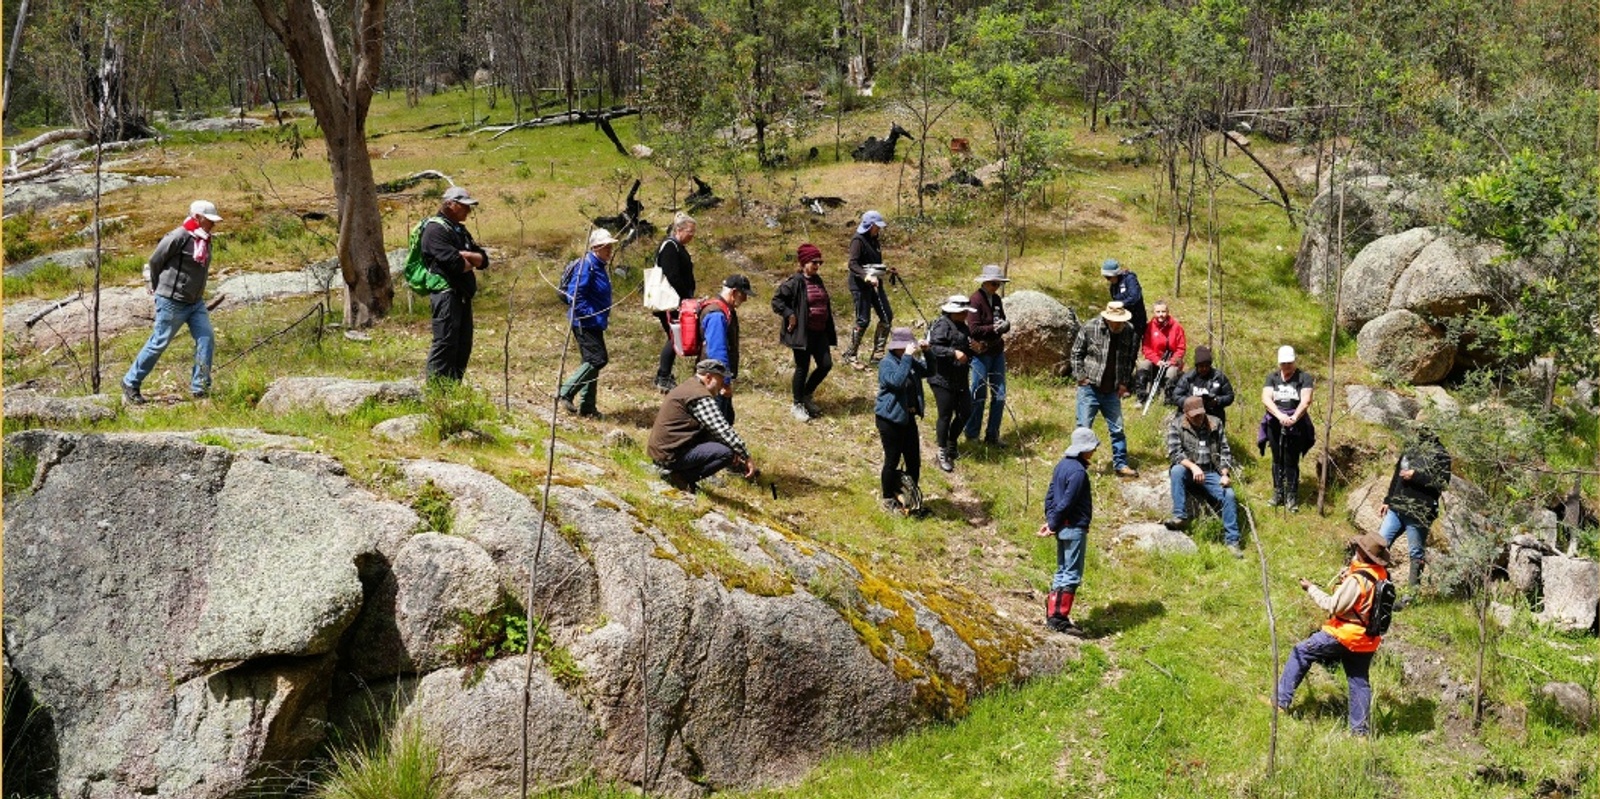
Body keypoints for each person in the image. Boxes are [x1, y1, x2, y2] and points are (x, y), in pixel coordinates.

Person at [1276, 533, 1392, 736]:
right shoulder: (1381, 575)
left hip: (1344, 635)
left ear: (1361, 553)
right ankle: (1360, 733)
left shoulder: (1357, 580)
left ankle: (1279, 703)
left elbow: (1332, 605)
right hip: (1368, 639)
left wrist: (1311, 588)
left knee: (1301, 652)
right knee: (1359, 681)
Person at [122, 199, 225, 403]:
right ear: (197, 217)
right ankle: (130, 382)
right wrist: (156, 287)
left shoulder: (204, 238)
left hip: (195, 303)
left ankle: (200, 388)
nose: (213, 224)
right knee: (158, 342)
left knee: (206, 339)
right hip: (172, 301)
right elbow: (155, 260)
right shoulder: (178, 236)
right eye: (209, 220)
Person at [647, 358, 757, 493]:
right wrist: (746, 456)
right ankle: (681, 478)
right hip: (670, 455)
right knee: (725, 454)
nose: (723, 385)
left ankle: (679, 474)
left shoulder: (689, 386)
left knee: (723, 444)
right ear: (709, 377)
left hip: (663, 452)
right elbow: (722, 428)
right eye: (721, 380)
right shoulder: (700, 396)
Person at [419, 187, 490, 384]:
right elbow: (456, 264)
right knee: (445, 342)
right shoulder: (435, 230)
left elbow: (483, 260)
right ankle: (436, 391)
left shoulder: (459, 230)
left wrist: (469, 256)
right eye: (464, 206)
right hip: (445, 294)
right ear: (450, 204)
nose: (468, 211)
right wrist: (468, 260)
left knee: (463, 344)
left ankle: (453, 387)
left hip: (463, 295)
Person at [1036, 427, 1101, 635]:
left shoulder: (1061, 466)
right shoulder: (1078, 472)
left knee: (1062, 571)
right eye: (1092, 448)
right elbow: (1067, 502)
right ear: (1084, 449)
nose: (1093, 452)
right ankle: (1059, 619)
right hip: (1073, 528)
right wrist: (1053, 524)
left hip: (1062, 526)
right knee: (1071, 573)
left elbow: (1050, 497)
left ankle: (1052, 615)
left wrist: (1051, 520)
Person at [1164, 396, 1244, 558]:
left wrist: (1224, 474)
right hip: (1188, 470)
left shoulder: (1215, 423)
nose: (1198, 418)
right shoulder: (1176, 425)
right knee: (1176, 471)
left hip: (1211, 472)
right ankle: (1180, 516)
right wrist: (1193, 467)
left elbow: (1225, 450)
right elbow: (1175, 453)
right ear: (1186, 414)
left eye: (1200, 414)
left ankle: (1232, 542)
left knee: (1229, 495)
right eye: (1194, 415)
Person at [1379, 425, 1452, 593]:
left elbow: (1442, 484)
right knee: (1379, 545)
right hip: (1396, 509)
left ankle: (1411, 596)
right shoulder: (1411, 447)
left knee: (1415, 554)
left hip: (1419, 513)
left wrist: (1415, 476)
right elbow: (1397, 474)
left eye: (1421, 429)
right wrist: (1388, 500)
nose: (1416, 431)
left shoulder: (1441, 454)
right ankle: (1376, 586)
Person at [1070, 301, 1140, 477]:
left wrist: (1124, 382)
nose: (1118, 325)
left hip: (1112, 390)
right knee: (1084, 428)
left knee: (1117, 429)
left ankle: (1121, 465)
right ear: (1107, 318)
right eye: (1115, 321)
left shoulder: (1129, 330)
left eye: (1121, 321)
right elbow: (1076, 353)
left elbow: (1129, 359)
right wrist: (1081, 377)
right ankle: (1078, 467)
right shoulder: (1090, 327)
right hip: (1090, 387)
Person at [772, 243, 836, 422]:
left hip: (820, 331)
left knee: (826, 365)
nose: (817, 265)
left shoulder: (817, 280)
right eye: (814, 262)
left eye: (819, 262)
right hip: (803, 333)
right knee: (802, 367)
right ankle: (797, 403)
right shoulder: (794, 282)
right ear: (804, 262)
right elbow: (777, 301)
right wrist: (789, 314)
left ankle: (807, 394)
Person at [558, 228, 618, 418]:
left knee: (590, 361)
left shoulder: (598, 265)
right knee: (597, 359)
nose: (610, 250)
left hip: (595, 322)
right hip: (585, 322)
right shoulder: (587, 266)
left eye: (610, 246)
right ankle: (565, 392)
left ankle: (587, 407)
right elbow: (576, 295)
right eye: (607, 246)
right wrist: (590, 314)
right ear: (596, 247)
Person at [875, 327, 930, 514]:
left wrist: (927, 352)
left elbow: (930, 371)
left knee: (914, 461)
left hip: (908, 418)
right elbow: (897, 382)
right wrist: (907, 357)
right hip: (889, 419)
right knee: (892, 459)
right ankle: (888, 498)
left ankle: (910, 499)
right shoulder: (886, 363)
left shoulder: (910, 361)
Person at [1261, 345, 1315, 511]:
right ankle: (1278, 492)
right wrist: (1279, 416)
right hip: (1275, 423)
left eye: (1289, 363)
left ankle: (1292, 494)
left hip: (1295, 424)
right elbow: (1266, 398)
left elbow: (1306, 400)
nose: (1287, 366)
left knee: (1291, 460)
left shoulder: (1304, 378)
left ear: (1294, 361)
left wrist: (1293, 418)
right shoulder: (1273, 378)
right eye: (1283, 363)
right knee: (1277, 459)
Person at [965, 264, 1012, 447]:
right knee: (978, 394)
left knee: (999, 395)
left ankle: (992, 435)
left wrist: (1005, 326)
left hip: (997, 352)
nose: (996, 287)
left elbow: (1002, 320)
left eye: (998, 284)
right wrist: (993, 328)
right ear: (985, 282)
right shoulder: (975, 300)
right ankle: (972, 433)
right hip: (981, 354)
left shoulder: (997, 300)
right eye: (993, 283)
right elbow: (973, 329)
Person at [927, 295, 975, 472]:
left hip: (960, 378)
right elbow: (933, 348)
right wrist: (953, 352)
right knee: (945, 415)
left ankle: (951, 440)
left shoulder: (964, 327)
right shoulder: (941, 325)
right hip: (941, 378)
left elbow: (967, 349)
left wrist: (975, 349)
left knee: (966, 411)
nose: (965, 315)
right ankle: (942, 451)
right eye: (962, 312)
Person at [652, 213, 698, 393]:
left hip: (677, 301)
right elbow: (672, 275)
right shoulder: (670, 247)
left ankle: (663, 375)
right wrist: (685, 298)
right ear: (678, 230)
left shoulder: (678, 246)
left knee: (674, 337)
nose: (692, 235)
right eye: (690, 231)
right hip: (670, 302)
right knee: (675, 337)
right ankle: (663, 377)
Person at [844, 209, 895, 368]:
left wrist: (885, 271)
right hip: (860, 286)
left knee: (887, 316)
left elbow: (873, 264)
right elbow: (853, 264)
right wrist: (866, 276)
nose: (879, 229)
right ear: (869, 225)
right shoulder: (858, 241)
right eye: (876, 226)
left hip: (875, 284)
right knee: (863, 320)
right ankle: (850, 355)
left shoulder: (875, 240)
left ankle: (877, 355)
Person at [701, 275, 752, 424]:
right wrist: (725, 383)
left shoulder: (724, 310)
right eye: (743, 295)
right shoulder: (717, 314)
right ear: (734, 292)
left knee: (727, 420)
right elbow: (717, 351)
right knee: (718, 425)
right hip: (714, 380)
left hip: (715, 378)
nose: (745, 300)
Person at [1168, 345, 1235, 426]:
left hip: (1213, 414)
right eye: (1201, 366)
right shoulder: (1188, 378)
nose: (1204, 369)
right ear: (1196, 366)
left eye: (1207, 366)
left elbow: (1230, 396)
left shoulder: (1219, 377)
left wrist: (1217, 401)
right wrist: (1191, 402)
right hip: (1191, 415)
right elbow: (1176, 396)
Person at [1135, 300, 1186, 403]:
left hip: (1171, 361)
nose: (1161, 315)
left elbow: (1181, 348)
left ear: (1168, 312)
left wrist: (1171, 362)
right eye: (1158, 312)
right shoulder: (1149, 327)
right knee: (1143, 365)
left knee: (1171, 371)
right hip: (1156, 361)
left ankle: (1169, 397)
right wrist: (1157, 360)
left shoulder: (1176, 327)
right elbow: (1146, 348)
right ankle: (1141, 395)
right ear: (1154, 312)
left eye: (1163, 311)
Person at [1101, 258, 1147, 337]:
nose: (1108, 280)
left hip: (1136, 321)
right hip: (1122, 322)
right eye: (1106, 277)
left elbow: (1135, 297)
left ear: (1115, 274)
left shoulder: (1129, 279)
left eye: (1109, 277)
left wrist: (1121, 304)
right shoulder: (1113, 288)